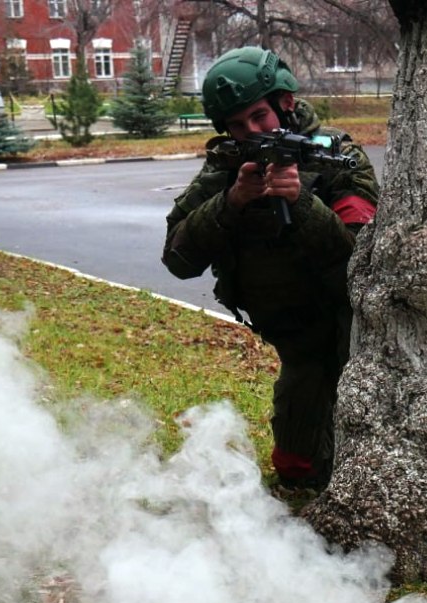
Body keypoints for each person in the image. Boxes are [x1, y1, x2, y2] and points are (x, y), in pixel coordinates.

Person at [162, 47, 379, 491]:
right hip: (296, 338)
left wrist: (301, 203)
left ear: (286, 103)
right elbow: (178, 260)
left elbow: (360, 269)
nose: (252, 131)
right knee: (298, 469)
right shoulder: (227, 169)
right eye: (238, 125)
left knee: (361, 464)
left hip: (350, 332)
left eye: (260, 116)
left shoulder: (337, 158)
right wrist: (232, 202)